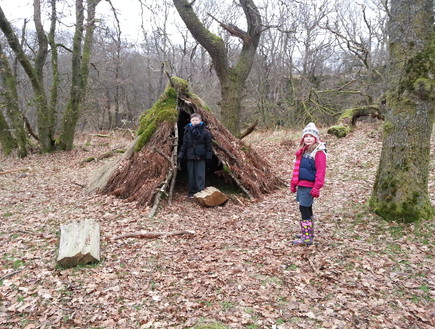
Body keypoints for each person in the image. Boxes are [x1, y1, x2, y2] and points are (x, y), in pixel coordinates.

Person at [290, 122, 327, 245]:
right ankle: (308, 232)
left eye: (311, 136)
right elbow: (298, 169)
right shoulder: (303, 151)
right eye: (306, 136)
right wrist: (294, 183)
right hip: (302, 184)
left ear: (316, 138)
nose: (308, 138)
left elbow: (321, 171)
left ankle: (307, 238)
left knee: (304, 209)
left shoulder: (318, 152)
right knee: (307, 208)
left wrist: (317, 187)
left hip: (309, 186)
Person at [178, 113, 213, 197]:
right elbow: (184, 145)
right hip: (190, 156)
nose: (194, 122)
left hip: (201, 156)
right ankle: (192, 192)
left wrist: (208, 156)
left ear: (200, 120)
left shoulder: (205, 132)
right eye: (193, 120)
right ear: (190, 121)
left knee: (200, 175)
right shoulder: (187, 132)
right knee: (191, 175)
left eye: (196, 120)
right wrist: (181, 154)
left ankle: (200, 192)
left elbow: (209, 145)